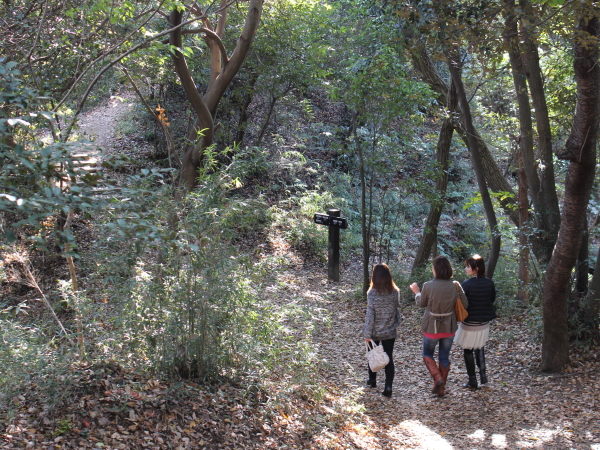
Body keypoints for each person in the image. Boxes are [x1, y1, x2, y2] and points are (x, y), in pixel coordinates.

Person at [410, 256, 467, 397]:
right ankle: (441, 388)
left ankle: (438, 378)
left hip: (432, 328)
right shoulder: (455, 285)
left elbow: (421, 303)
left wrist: (417, 292)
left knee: (427, 354)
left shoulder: (428, 285)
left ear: (436, 269)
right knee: (444, 356)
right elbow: (465, 304)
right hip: (449, 328)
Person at [455, 254, 496, 389]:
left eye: (468, 266)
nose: (466, 269)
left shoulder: (467, 284)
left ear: (476, 268)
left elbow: (462, 303)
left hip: (469, 323)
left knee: (468, 350)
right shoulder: (489, 283)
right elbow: (492, 299)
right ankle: (483, 376)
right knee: (479, 347)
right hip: (484, 323)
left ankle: (472, 380)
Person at [363, 263, 402, 398]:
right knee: (388, 358)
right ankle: (388, 387)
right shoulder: (395, 292)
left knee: (373, 354)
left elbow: (370, 315)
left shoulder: (372, 293)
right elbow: (396, 308)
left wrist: (367, 333)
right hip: (390, 331)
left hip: (374, 331)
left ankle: (372, 379)